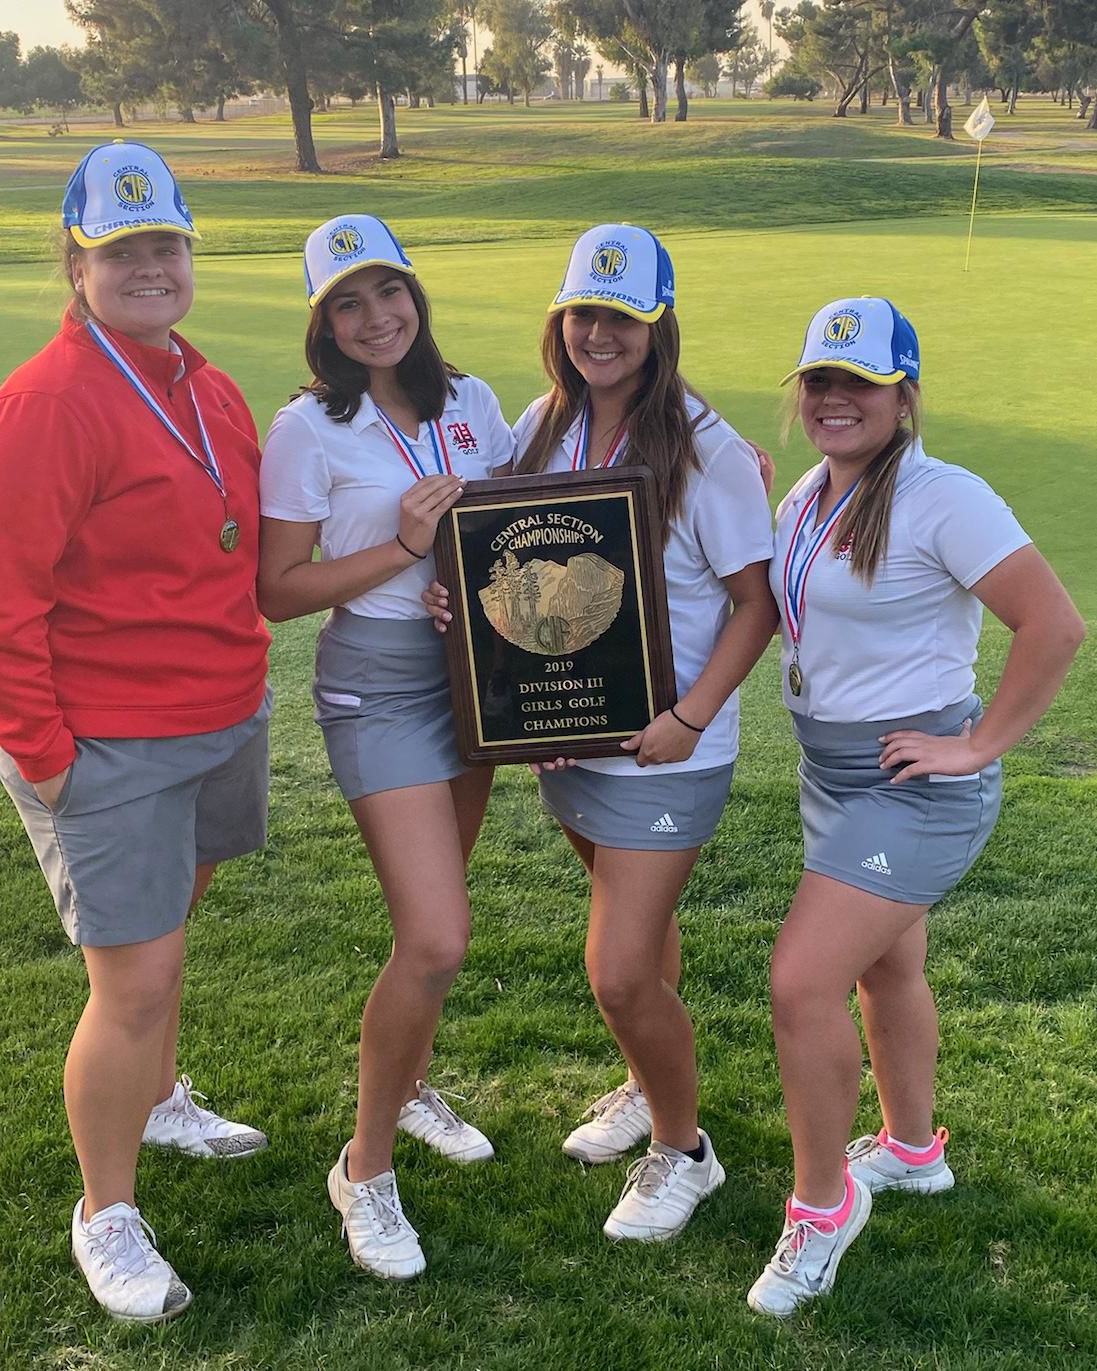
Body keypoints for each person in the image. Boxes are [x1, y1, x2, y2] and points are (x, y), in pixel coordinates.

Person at [0, 142, 273, 1323]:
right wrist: (49, 761)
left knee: (171, 930)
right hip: (106, 746)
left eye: (164, 245)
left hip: (217, 717)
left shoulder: (206, 383)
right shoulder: (39, 409)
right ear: (76, 263)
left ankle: (161, 1096)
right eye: (119, 251)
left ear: (187, 251)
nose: (148, 267)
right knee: (132, 983)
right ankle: (107, 1212)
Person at [433, 223, 778, 1241]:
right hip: (565, 741)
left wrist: (687, 716)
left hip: (666, 750)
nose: (600, 334)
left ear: (657, 326)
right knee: (638, 933)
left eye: (622, 317)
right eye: (584, 312)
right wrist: (475, 626)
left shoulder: (703, 445)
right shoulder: (543, 424)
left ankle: (684, 1149)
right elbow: (503, 558)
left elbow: (752, 604)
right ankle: (642, 1081)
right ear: (559, 320)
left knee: (619, 970)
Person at [746, 296, 1085, 1317]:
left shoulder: (944, 496)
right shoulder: (807, 492)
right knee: (885, 967)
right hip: (831, 775)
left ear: (903, 396)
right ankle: (908, 1149)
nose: (836, 398)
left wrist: (975, 744)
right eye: (820, 379)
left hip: (911, 784)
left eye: (861, 382)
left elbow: (1053, 625)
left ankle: (819, 1208)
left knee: (799, 982)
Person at [257, 215, 514, 1280]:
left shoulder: (474, 400)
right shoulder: (308, 426)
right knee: (438, 938)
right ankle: (364, 1169)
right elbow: (277, 592)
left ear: (414, 294)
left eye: (387, 293)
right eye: (347, 304)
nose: (375, 319)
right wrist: (402, 548)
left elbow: (515, 521)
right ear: (322, 322)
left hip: (475, 683)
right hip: (378, 686)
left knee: (434, 915)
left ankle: (406, 1088)